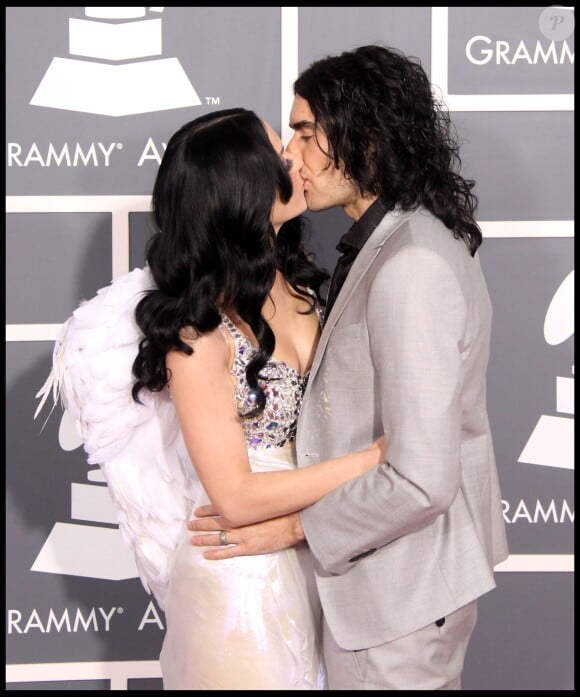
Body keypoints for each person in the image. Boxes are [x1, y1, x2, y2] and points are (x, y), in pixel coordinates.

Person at [187, 46, 510, 690]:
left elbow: (420, 479)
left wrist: (293, 528)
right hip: (386, 589)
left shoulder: (410, 263)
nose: (291, 157)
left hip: (398, 597)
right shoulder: (389, 245)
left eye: (306, 133)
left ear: (364, 137)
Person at [37, 107, 387, 690]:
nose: (297, 160)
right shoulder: (196, 337)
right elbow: (237, 495)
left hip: (322, 563)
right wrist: (376, 462)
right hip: (239, 590)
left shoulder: (302, 284)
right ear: (241, 192)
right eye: (279, 155)